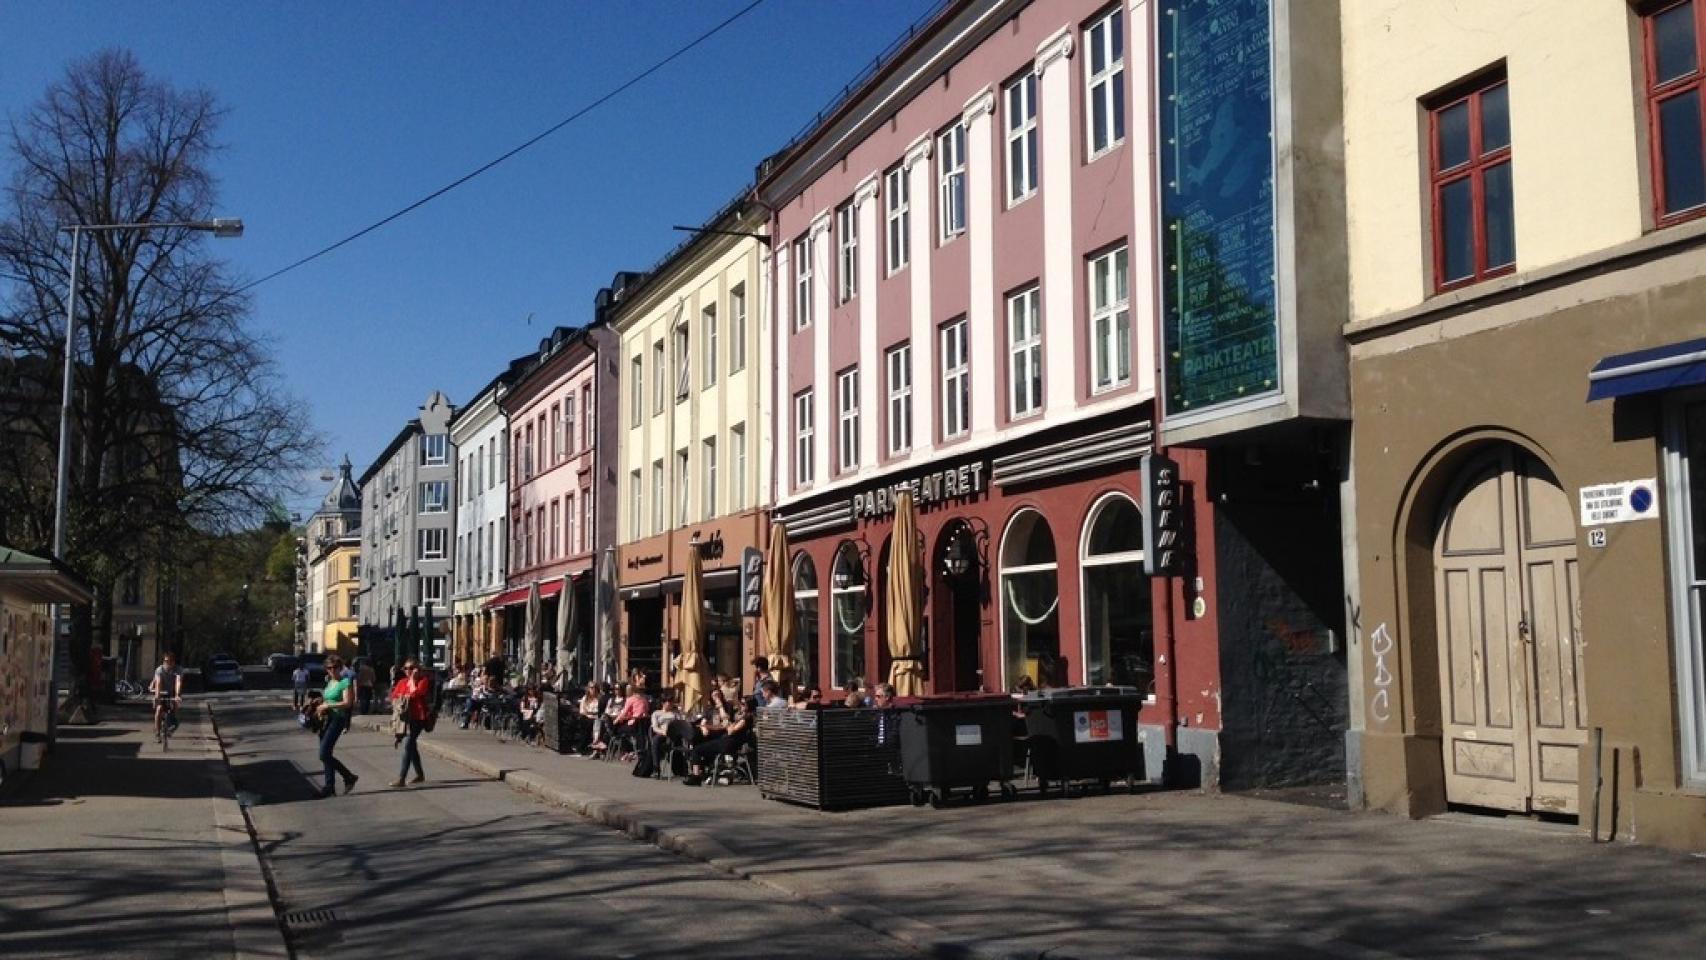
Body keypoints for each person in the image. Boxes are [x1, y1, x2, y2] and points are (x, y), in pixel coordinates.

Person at [314, 655, 359, 798]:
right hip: (326, 720)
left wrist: (328, 705)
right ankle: (329, 786)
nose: (332, 670)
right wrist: (319, 701)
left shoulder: (345, 682)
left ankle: (348, 776)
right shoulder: (329, 682)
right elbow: (328, 698)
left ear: (340, 668)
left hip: (337, 720)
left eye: (335, 667)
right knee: (326, 754)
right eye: (329, 668)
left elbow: (347, 703)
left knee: (323, 753)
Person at [685, 688, 750, 786]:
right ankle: (698, 773)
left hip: (725, 740)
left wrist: (720, 707)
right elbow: (706, 721)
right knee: (697, 742)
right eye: (714, 695)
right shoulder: (711, 709)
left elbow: (728, 726)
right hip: (721, 738)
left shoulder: (737, 713)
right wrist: (704, 728)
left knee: (698, 749)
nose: (741, 705)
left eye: (743, 704)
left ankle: (697, 776)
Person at [388, 658, 432, 788]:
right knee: (411, 747)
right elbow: (394, 697)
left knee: (408, 745)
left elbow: (416, 693)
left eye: (412, 668)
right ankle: (420, 774)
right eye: (406, 668)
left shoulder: (423, 681)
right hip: (404, 718)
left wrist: (412, 680)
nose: (408, 671)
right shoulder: (402, 682)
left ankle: (401, 778)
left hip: (418, 718)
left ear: (418, 669)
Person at [149, 651, 183, 741]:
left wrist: (177, 695)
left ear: (174, 662)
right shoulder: (159, 670)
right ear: (163, 661)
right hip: (161, 692)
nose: (168, 663)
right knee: (159, 709)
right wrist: (157, 697)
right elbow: (158, 683)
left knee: (175, 706)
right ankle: (157, 733)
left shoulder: (178, 669)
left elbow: (178, 682)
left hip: (172, 692)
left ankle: (172, 723)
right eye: (166, 661)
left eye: (170, 661)